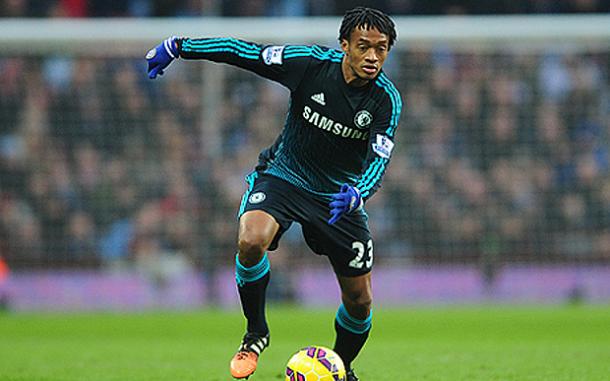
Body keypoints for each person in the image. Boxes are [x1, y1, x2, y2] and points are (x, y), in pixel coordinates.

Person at [146, 7, 401, 380]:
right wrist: (181, 46)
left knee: (360, 301)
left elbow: (380, 159)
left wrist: (358, 194)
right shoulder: (310, 64)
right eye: (364, 47)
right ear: (344, 44)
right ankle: (255, 335)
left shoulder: (386, 100)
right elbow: (244, 52)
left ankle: (341, 368)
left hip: (338, 196)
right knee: (250, 241)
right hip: (285, 177)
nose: (373, 57)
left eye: (382, 49)